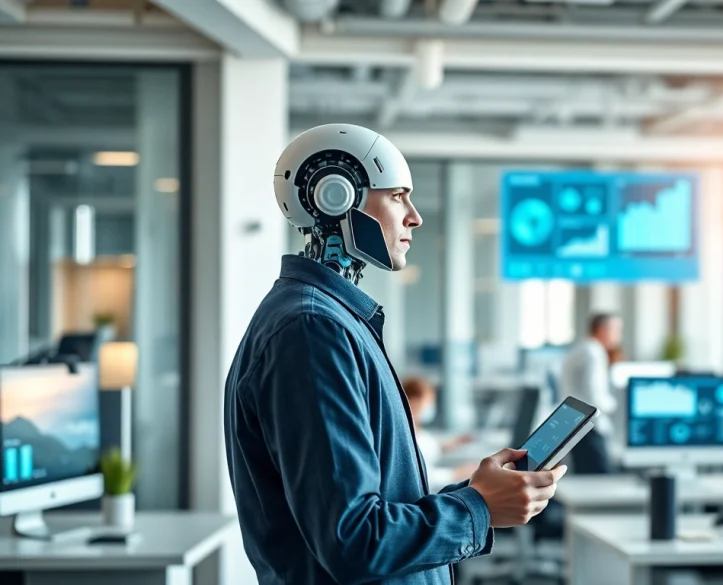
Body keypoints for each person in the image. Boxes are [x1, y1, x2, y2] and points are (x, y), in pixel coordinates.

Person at [223, 124, 567, 585]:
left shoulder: (331, 321)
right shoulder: (313, 329)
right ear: (336, 195)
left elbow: (373, 511)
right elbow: (354, 541)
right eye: (398, 196)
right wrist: (478, 508)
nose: (414, 217)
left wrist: (479, 494)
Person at [558, 312, 623, 474]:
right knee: (599, 479)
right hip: (589, 427)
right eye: (616, 330)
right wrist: (616, 404)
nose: (618, 336)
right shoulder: (593, 352)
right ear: (602, 330)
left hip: (575, 424)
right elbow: (595, 396)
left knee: (586, 475)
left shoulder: (581, 349)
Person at [403, 376, 477, 485]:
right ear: (414, 401)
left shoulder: (417, 429)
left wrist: (454, 444)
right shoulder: (405, 433)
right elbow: (420, 475)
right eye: (429, 401)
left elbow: (425, 449)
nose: (430, 406)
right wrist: (457, 473)